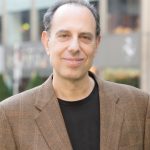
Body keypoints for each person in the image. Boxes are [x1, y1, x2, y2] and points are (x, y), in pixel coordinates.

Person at [0, 0, 150, 150]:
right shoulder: (10, 115)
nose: (74, 47)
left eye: (85, 37)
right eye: (64, 35)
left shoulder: (139, 106)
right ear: (46, 42)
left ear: (97, 44)